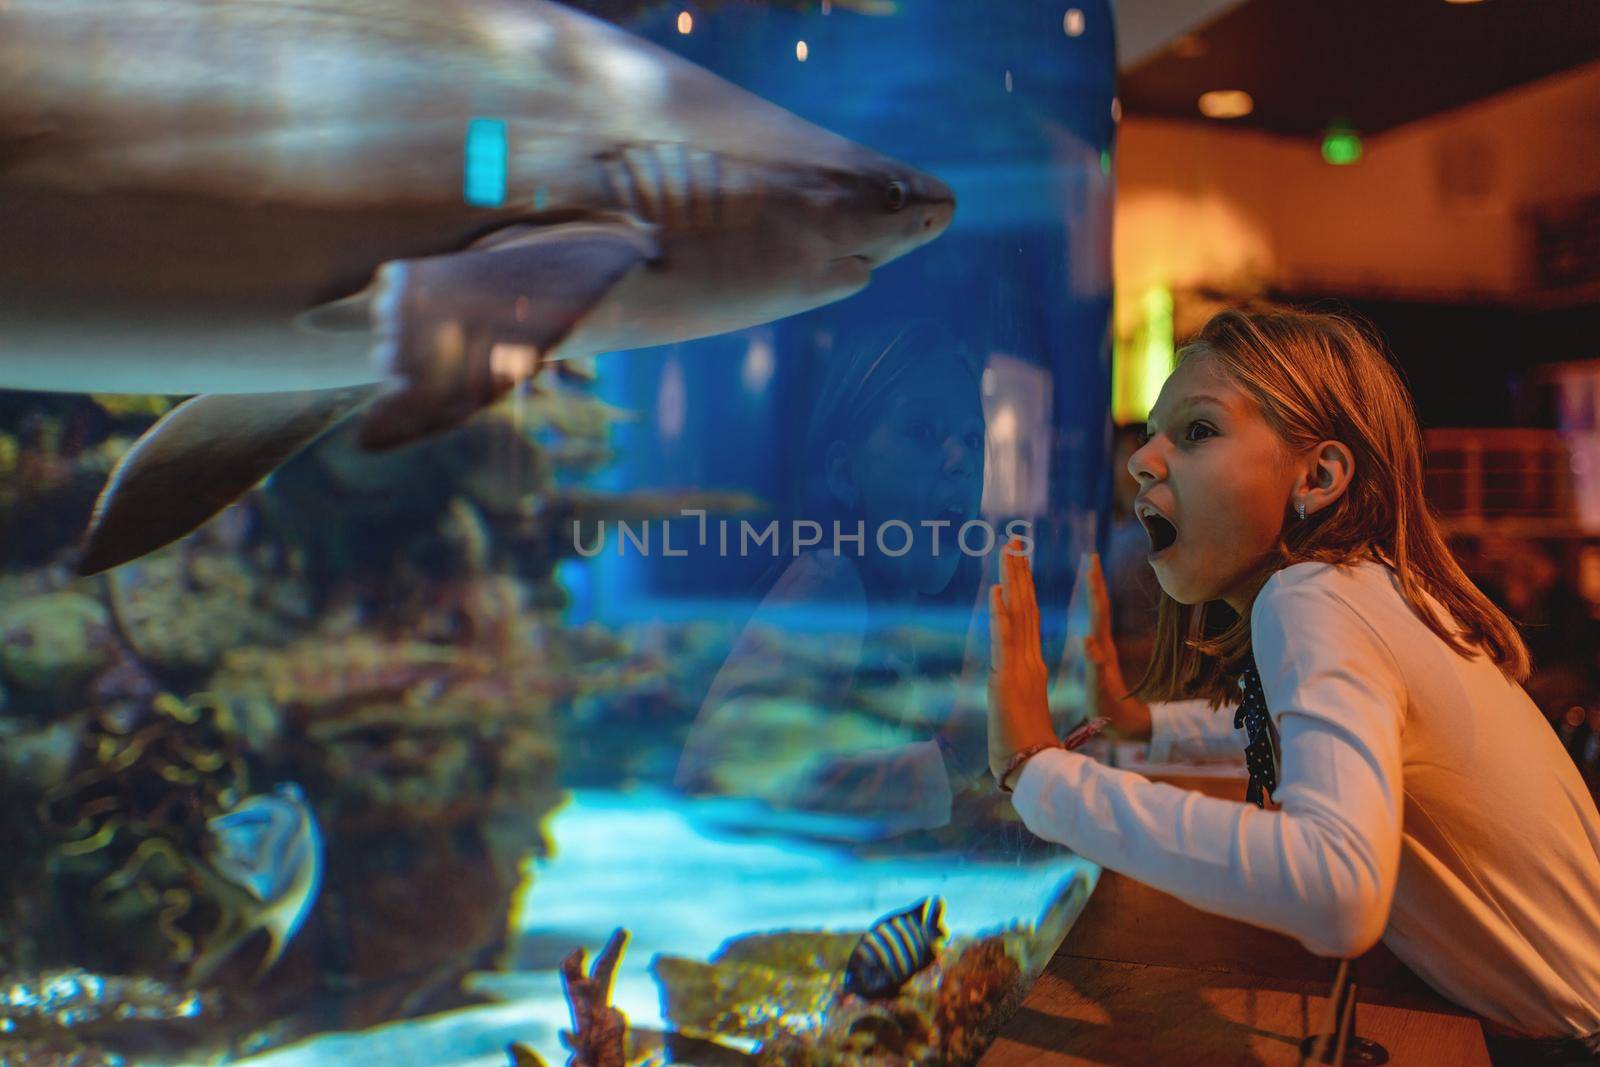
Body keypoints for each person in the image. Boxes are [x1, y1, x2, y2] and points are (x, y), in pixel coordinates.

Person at [987, 306, 1600, 1063]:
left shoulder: (1312, 597)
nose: (1143, 459)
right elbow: (1339, 734)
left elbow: (1337, 888)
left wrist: (1040, 775)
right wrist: (1145, 723)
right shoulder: (1362, 589)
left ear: (1316, 476)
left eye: (1197, 430)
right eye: (1151, 432)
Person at [676, 320, 993, 832]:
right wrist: (954, 759)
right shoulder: (829, 584)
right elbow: (724, 787)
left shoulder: (896, 608)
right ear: (845, 474)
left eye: (974, 438)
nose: (961, 460)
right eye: (923, 431)